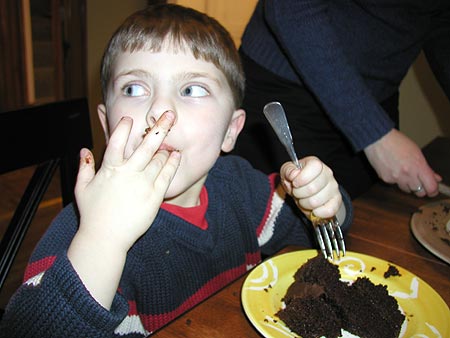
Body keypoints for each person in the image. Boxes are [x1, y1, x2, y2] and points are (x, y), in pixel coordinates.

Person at [0, 4, 352, 337]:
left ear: (231, 130)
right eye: (134, 88)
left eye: (191, 89)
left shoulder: (241, 189)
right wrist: (101, 239)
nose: (160, 109)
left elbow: (318, 235)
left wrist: (321, 203)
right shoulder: (81, 228)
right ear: (107, 126)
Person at [233, 0, 449, 199]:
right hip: (286, 91)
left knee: (356, 227)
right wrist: (375, 134)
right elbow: (291, 8)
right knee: (275, 226)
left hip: (375, 104)